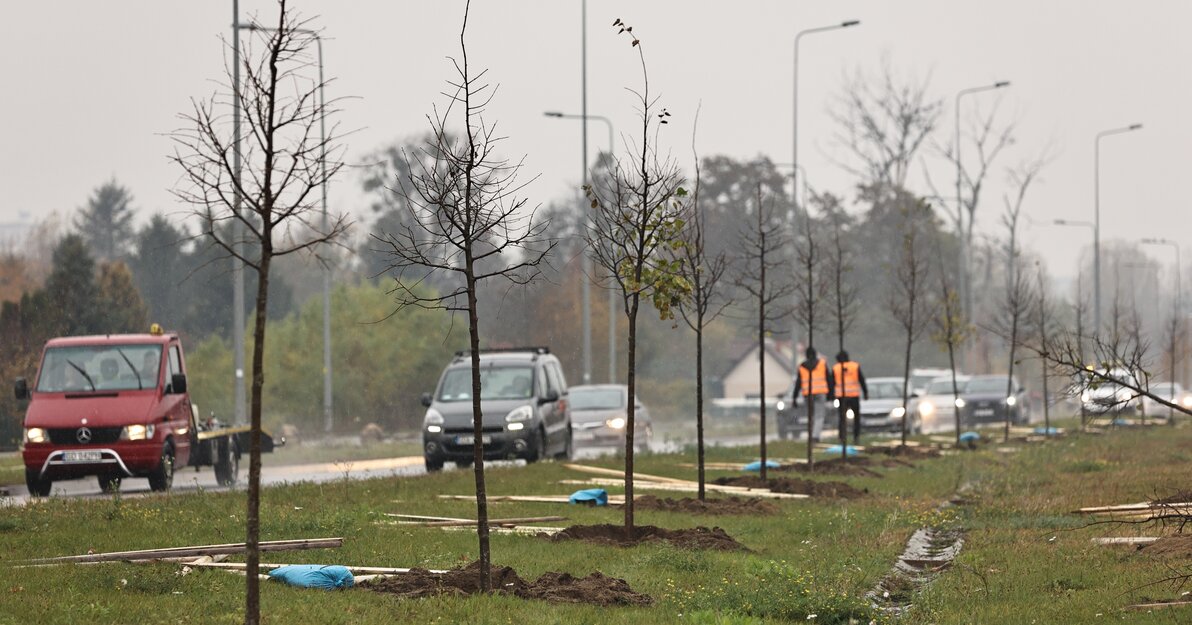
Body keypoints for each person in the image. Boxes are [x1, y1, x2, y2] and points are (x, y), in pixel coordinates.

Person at [793, 347, 834, 442]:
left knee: (810, 416)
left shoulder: (802, 366)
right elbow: (829, 380)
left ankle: (811, 434)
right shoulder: (822, 364)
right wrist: (831, 395)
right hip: (820, 393)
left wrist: (794, 397)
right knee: (819, 416)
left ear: (806, 355)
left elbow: (798, 383)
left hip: (807, 394)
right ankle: (815, 436)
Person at [833, 350, 869, 446]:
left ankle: (842, 437)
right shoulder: (855, 366)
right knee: (856, 418)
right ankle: (856, 437)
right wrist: (865, 392)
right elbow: (862, 380)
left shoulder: (836, 368)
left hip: (842, 397)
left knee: (842, 419)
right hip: (854, 396)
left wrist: (831, 396)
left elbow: (832, 383)